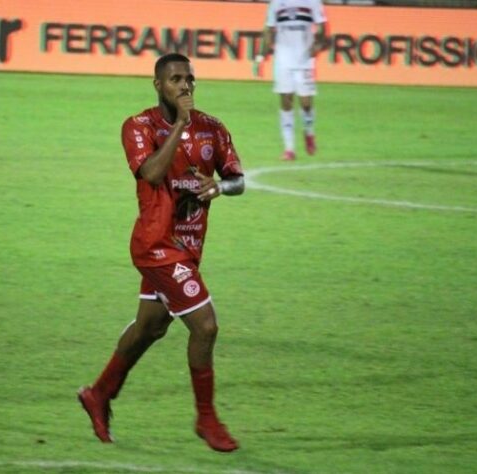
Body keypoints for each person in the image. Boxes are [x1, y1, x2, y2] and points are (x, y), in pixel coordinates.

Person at [77, 53, 245, 451]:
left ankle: (99, 393)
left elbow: (239, 179)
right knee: (205, 326)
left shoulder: (213, 130)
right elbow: (151, 173)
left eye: (189, 78)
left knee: (151, 326)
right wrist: (181, 125)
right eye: (175, 80)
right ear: (158, 85)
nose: (185, 85)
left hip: (188, 248)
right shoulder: (138, 127)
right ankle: (207, 419)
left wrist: (220, 187)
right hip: (155, 245)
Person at [255, 0, 329, 161]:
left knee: (306, 103)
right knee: (286, 101)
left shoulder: (312, 2)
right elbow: (268, 29)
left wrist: (318, 44)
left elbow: (323, 26)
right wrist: (261, 56)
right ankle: (289, 148)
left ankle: (308, 131)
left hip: (305, 60)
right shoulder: (276, 3)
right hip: (283, 60)